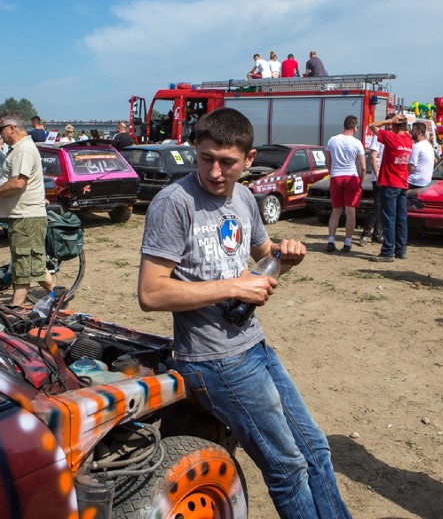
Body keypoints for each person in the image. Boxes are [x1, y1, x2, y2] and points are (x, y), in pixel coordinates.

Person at [137, 107, 351, 518]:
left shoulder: (245, 198)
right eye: (206, 159)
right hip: (213, 359)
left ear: (249, 160)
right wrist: (234, 286)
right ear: (194, 151)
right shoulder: (174, 203)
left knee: (316, 450)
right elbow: (150, 292)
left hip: (253, 345)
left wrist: (287, 255)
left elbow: (261, 256)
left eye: (227, 162)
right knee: (287, 467)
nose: (215, 171)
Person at [0, 111, 52, 306]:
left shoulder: (23, 150)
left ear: (11, 128)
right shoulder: (19, 148)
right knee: (31, 264)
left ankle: (14, 309)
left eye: (1, 130)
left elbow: (18, 183)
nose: (0, 135)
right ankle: (57, 297)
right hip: (23, 215)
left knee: (23, 268)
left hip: (26, 216)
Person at [367, 113, 412, 262]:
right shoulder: (408, 139)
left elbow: (372, 125)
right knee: (401, 218)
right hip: (402, 183)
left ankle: (387, 251)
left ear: (394, 126)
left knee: (389, 218)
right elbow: (405, 130)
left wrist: (390, 120)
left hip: (390, 183)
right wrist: (401, 122)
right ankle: (401, 249)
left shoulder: (391, 138)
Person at [325, 115, 366, 253]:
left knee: (335, 211)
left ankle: (331, 241)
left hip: (336, 176)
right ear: (355, 127)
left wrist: (332, 174)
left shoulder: (332, 140)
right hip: (351, 176)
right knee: (350, 212)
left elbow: (327, 161)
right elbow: (363, 166)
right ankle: (347, 243)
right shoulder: (357, 143)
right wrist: (360, 179)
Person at [357, 123, 385, 246]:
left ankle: (377, 234)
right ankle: (365, 234)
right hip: (378, 176)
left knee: (382, 206)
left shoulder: (393, 137)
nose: (391, 128)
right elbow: (373, 158)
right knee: (377, 205)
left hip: (387, 177)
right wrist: (377, 175)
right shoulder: (378, 136)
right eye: (389, 125)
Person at [407, 121, 434, 189]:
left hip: (414, 181)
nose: (411, 133)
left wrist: (401, 175)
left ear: (418, 132)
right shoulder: (429, 145)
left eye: (413, 130)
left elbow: (411, 167)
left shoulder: (417, 146)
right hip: (426, 182)